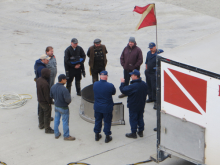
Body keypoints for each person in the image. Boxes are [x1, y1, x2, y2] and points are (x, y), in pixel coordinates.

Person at [119, 69, 148, 138]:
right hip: (141, 104)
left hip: (133, 105)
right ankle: (141, 131)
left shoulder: (133, 86)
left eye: (132, 75)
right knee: (140, 117)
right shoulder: (144, 84)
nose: (131, 76)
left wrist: (122, 83)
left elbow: (123, 90)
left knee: (133, 118)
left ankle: (133, 133)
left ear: (136, 76)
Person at [93, 71, 116, 143]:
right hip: (107, 107)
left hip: (98, 107)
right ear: (106, 77)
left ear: (100, 76)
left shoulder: (95, 84)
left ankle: (97, 135)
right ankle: (107, 137)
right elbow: (113, 92)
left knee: (98, 120)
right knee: (107, 121)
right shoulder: (110, 85)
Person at [50, 74, 75, 141]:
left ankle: (56, 134)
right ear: (62, 80)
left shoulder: (53, 87)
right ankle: (66, 136)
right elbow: (68, 100)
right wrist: (65, 104)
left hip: (56, 106)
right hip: (64, 108)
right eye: (65, 79)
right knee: (65, 122)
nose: (66, 80)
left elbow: (51, 96)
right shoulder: (64, 89)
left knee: (56, 120)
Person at [34, 54, 54, 121]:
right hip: (43, 86)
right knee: (43, 101)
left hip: (39, 85)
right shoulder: (41, 68)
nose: (48, 60)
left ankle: (40, 116)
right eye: (47, 59)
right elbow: (43, 78)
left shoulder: (38, 64)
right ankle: (45, 118)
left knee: (40, 100)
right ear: (43, 60)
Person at [145, 42, 164, 110]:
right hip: (148, 72)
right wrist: (146, 69)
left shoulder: (158, 53)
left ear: (155, 47)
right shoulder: (148, 53)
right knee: (148, 85)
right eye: (150, 48)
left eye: (152, 47)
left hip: (154, 73)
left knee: (154, 86)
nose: (151, 49)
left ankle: (156, 100)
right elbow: (146, 62)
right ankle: (150, 98)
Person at [36, 68, 54, 134]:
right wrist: (49, 102)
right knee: (47, 115)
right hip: (45, 102)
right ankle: (47, 129)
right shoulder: (45, 84)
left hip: (40, 100)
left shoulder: (38, 80)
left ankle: (41, 125)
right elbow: (47, 95)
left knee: (41, 113)